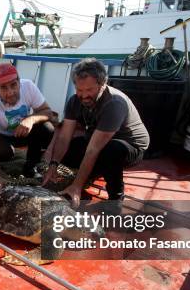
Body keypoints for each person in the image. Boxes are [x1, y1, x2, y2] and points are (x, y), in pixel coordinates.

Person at [43, 58, 149, 207]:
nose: (84, 95)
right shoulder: (74, 101)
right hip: (96, 139)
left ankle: (116, 197)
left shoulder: (114, 103)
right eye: (80, 90)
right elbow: (64, 137)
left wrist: (76, 187)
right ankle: (96, 171)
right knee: (70, 150)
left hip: (130, 146)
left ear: (102, 84)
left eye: (89, 90)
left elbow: (93, 150)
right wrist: (53, 165)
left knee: (109, 151)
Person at [0, 63, 55, 199]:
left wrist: (31, 119)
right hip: (1, 136)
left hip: (23, 131)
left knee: (47, 129)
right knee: (5, 152)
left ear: (19, 82)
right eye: (3, 87)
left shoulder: (29, 87)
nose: (10, 92)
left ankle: (31, 166)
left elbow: (48, 112)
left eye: (13, 85)